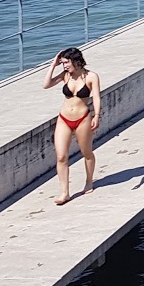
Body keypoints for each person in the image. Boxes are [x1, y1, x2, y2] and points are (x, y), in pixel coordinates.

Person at [44, 47, 100, 204]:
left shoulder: (91, 77)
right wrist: (53, 65)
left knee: (86, 152)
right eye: (62, 63)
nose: (65, 66)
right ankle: (64, 192)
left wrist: (96, 115)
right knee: (61, 156)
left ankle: (89, 181)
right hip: (64, 119)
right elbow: (46, 85)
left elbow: (96, 97)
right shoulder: (65, 76)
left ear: (76, 61)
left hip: (83, 118)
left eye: (66, 63)